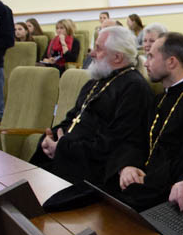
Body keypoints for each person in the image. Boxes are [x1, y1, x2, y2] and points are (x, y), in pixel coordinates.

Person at [113, 32, 183, 211]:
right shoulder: (159, 99)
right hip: (140, 185)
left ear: (171, 62)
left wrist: (148, 180)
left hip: (168, 193)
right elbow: (136, 139)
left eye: (150, 56)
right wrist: (127, 166)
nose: (146, 63)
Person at [30, 26, 153, 185]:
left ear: (117, 57)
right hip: (68, 156)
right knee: (18, 189)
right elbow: (73, 118)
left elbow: (115, 142)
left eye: (98, 48)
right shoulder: (95, 82)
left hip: (91, 171)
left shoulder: (134, 88)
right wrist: (50, 138)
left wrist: (63, 148)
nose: (91, 53)